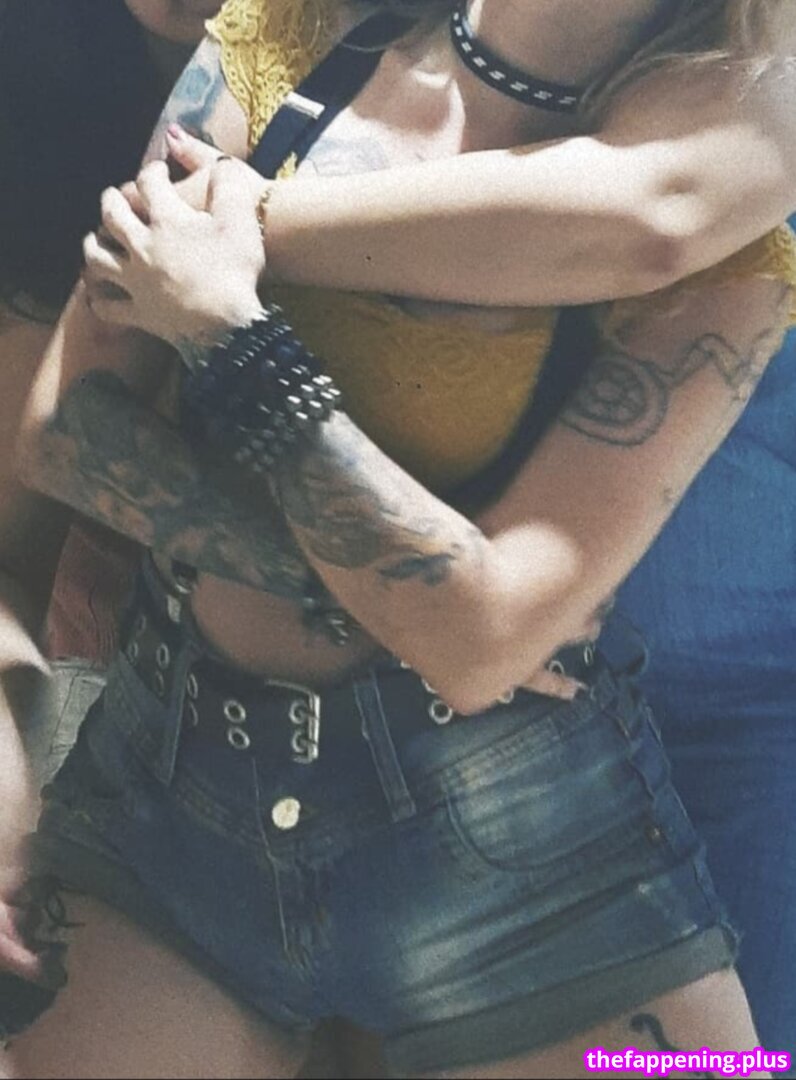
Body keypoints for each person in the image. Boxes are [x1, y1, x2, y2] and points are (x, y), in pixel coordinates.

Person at [6, 4, 796, 1080]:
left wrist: (229, 328)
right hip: (169, 790)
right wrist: (401, 592)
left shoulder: (734, 249)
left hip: (530, 840)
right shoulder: (283, 31)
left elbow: (479, 644)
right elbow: (65, 435)